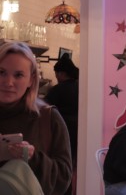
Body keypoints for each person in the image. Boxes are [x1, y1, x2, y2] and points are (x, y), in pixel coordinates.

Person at [0, 41, 72, 195]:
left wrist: (33, 157)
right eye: (1, 72)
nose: (8, 82)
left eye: (18, 75)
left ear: (31, 80)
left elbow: (64, 178)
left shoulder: (48, 117)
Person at [44, 54, 79, 195]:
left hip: (61, 130)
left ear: (62, 73)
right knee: (71, 165)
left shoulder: (57, 90)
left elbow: (43, 108)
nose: (56, 77)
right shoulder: (80, 87)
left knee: (60, 163)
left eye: (57, 73)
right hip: (78, 130)